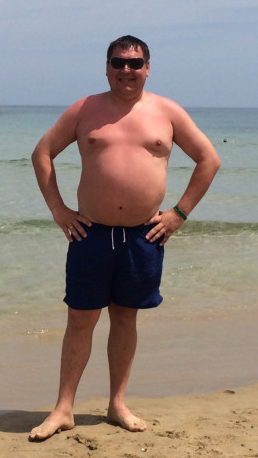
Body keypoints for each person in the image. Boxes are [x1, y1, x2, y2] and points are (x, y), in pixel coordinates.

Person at [29, 35, 220, 441]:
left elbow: (209, 159)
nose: (126, 70)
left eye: (135, 63)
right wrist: (58, 210)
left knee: (125, 317)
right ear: (107, 67)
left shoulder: (167, 112)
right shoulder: (85, 109)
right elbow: (42, 153)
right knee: (80, 319)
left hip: (143, 236)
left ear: (148, 68)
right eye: (118, 62)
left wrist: (179, 214)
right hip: (91, 233)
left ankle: (117, 404)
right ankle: (63, 409)